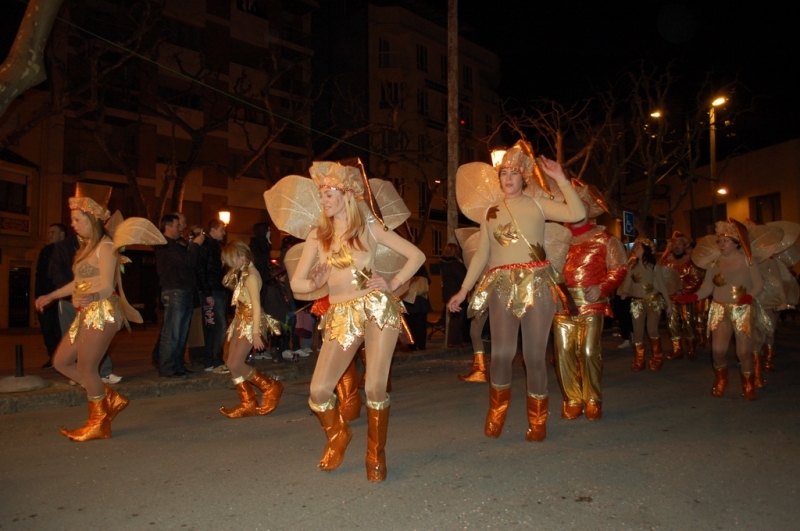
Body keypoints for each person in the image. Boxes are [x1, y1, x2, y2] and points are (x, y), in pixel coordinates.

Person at [288, 161, 425, 481]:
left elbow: (416, 255)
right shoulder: (317, 236)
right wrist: (315, 282)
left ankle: (375, 453)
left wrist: (393, 283)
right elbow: (297, 284)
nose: (324, 198)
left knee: (375, 385)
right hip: (340, 312)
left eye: (330, 192)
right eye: (321, 193)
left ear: (348, 194)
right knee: (319, 391)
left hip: (375, 307)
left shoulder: (371, 228)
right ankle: (338, 435)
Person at [447, 143, 586, 443]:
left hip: (537, 283)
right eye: (503, 173)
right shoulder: (491, 212)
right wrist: (463, 290)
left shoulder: (537, 203)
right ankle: (496, 413)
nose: (508, 178)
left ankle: (537, 419)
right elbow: (482, 253)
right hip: (501, 286)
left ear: (524, 177)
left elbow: (576, 213)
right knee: (501, 354)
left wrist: (561, 179)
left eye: (513, 173)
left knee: (534, 356)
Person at [34, 198, 131, 441]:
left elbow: (108, 286)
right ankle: (109, 398)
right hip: (86, 312)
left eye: (78, 219)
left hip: (103, 310)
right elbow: (78, 282)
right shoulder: (86, 248)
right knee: (61, 361)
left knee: (87, 367)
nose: (73, 223)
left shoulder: (106, 245)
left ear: (92, 220)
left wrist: (91, 295)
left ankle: (99, 422)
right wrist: (51, 296)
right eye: (73, 219)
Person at [552, 182, 627, 420]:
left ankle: (593, 398)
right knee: (563, 352)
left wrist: (603, 287)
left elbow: (618, 268)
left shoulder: (605, 239)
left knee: (588, 350)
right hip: (562, 303)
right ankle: (572, 398)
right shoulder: (557, 240)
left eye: (579, 204)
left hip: (592, 303)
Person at [676, 220, 764, 400]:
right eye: (719, 241)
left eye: (725, 241)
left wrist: (748, 297)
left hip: (741, 309)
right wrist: (691, 297)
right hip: (719, 309)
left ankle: (748, 384)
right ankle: (721, 380)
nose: (721, 245)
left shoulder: (748, 260)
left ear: (736, 242)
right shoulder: (714, 263)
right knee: (717, 350)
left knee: (744, 352)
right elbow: (707, 288)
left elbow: (759, 284)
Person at [218, 240, 283, 417]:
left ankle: (269, 386)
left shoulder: (252, 276)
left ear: (242, 256)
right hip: (240, 319)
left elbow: (256, 305)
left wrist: (255, 333)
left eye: (232, 260)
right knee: (231, 364)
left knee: (235, 363)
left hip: (250, 322)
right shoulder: (242, 272)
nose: (229, 264)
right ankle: (248, 402)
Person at [154, 214, 204, 378]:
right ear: (167, 227)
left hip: (184, 290)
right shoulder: (164, 245)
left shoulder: (176, 245)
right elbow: (187, 262)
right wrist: (195, 245)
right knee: (172, 331)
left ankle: (177, 365)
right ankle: (168, 367)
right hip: (174, 290)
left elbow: (190, 262)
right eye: (177, 225)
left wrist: (192, 243)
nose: (180, 228)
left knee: (182, 332)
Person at [619, 237, 672, 371]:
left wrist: (668, 304)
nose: (635, 249)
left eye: (638, 247)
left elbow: (661, 284)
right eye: (635, 247)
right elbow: (627, 281)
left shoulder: (654, 265)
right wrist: (625, 292)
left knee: (652, 330)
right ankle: (639, 359)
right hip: (637, 302)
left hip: (652, 300)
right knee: (637, 332)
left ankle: (657, 357)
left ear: (646, 250)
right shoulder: (632, 265)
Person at [660, 231, 705, 360]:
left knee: (688, 322)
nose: (677, 246)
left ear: (685, 245)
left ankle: (691, 348)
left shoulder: (691, 261)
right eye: (674, 244)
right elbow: (660, 274)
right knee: (672, 324)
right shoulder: (667, 262)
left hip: (686, 298)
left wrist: (684, 291)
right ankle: (677, 349)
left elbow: (697, 279)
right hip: (670, 298)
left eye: (680, 244)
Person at [197, 219, 229, 373]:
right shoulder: (206, 247)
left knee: (214, 325)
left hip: (218, 290)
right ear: (213, 230)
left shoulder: (217, 247)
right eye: (221, 229)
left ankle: (210, 359)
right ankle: (215, 360)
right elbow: (202, 271)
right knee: (219, 325)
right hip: (213, 291)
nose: (224, 233)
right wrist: (207, 293)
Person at [36, 223, 66, 368]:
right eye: (48, 232)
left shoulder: (66, 250)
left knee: (62, 329)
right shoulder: (45, 251)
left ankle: (64, 359)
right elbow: (40, 275)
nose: (49, 235)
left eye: (53, 232)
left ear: (62, 235)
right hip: (46, 297)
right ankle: (53, 358)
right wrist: (38, 295)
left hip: (61, 297)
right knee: (47, 329)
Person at [440, 243, 469, 347]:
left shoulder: (444, 264)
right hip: (457, 293)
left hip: (448, 293)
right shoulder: (456, 264)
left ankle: (456, 340)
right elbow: (464, 278)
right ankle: (453, 341)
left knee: (455, 318)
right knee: (457, 318)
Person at [403, 265, 431, 350]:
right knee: (421, 325)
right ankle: (421, 345)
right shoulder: (422, 268)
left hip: (409, 301)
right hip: (421, 301)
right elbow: (429, 281)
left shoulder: (405, 267)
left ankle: (412, 345)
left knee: (410, 325)